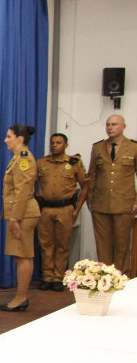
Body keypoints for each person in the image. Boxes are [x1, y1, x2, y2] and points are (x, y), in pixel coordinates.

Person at [36, 134, 89, 291]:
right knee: (45, 245)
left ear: (66, 145)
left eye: (58, 143)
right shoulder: (41, 163)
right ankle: (47, 277)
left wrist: (77, 209)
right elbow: (31, 183)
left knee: (62, 245)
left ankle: (59, 277)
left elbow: (86, 186)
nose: (54, 145)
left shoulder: (74, 162)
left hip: (65, 209)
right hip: (45, 209)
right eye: (52, 143)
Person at [88, 114, 137, 270]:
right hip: (100, 203)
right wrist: (90, 199)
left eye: (114, 124)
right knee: (102, 244)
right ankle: (105, 277)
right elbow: (92, 175)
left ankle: (121, 278)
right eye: (108, 124)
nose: (110, 127)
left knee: (122, 245)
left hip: (124, 203)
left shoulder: (133, 147)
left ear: (124, 126)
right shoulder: (98, 147)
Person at [0, 124, 40, 312]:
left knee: (23, 256)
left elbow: (23, 191)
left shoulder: (24, 160)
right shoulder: (17, 158)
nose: (5, 140)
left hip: (23, 214)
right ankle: (20, 296)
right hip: (20, 213)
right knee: (21, 256)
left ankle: (21, 297)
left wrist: (14, 218)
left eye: (9, 136)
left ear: (19, 139)